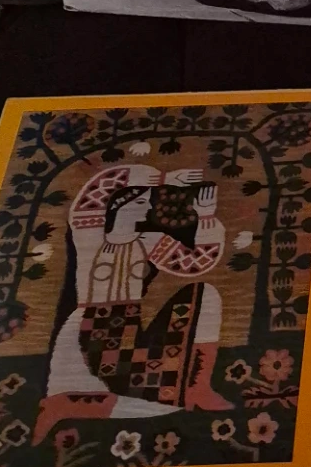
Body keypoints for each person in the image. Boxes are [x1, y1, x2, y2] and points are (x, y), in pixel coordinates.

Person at [31, 162, 233, 443]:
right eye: (139, 202)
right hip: (89, 326)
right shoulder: (90, 232)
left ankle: (197, 387)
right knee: (137, 396)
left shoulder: (147, 239)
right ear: (117, 206)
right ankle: (66, 404)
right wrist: (164, 177)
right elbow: (96, 191)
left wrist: (205, 216)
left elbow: (196, 262)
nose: (146, 208)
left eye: (147, 202)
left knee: (206, 294)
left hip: (128, 327)